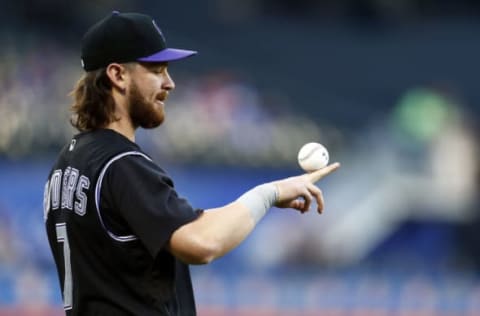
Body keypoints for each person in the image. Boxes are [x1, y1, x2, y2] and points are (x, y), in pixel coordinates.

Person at [43, 11, 340, 316]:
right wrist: (270, 193)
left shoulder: (66, 164)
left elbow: (185, 226)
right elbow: (201, 242)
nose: (169, 83)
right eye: (156, 70)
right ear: (117, 75)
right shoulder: (121, 163)